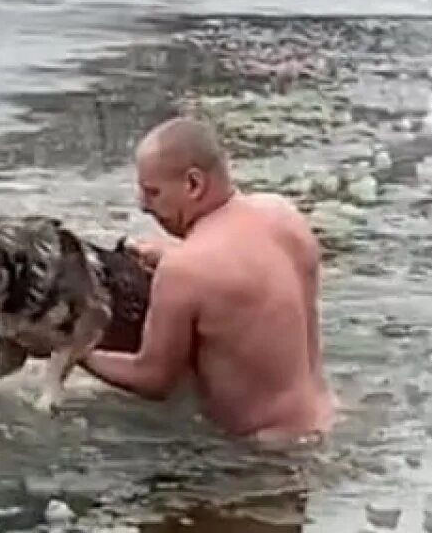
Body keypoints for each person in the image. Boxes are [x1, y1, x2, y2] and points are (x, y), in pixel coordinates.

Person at [79, 115, 335, 443]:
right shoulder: (283, 215)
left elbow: (153, 379)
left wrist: (75, 350)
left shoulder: (185, 271)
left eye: (152, 192)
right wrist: (175, 255)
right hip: (323, 422)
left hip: (264, 458)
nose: (143, 206)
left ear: (193, 184)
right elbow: (242, 271)